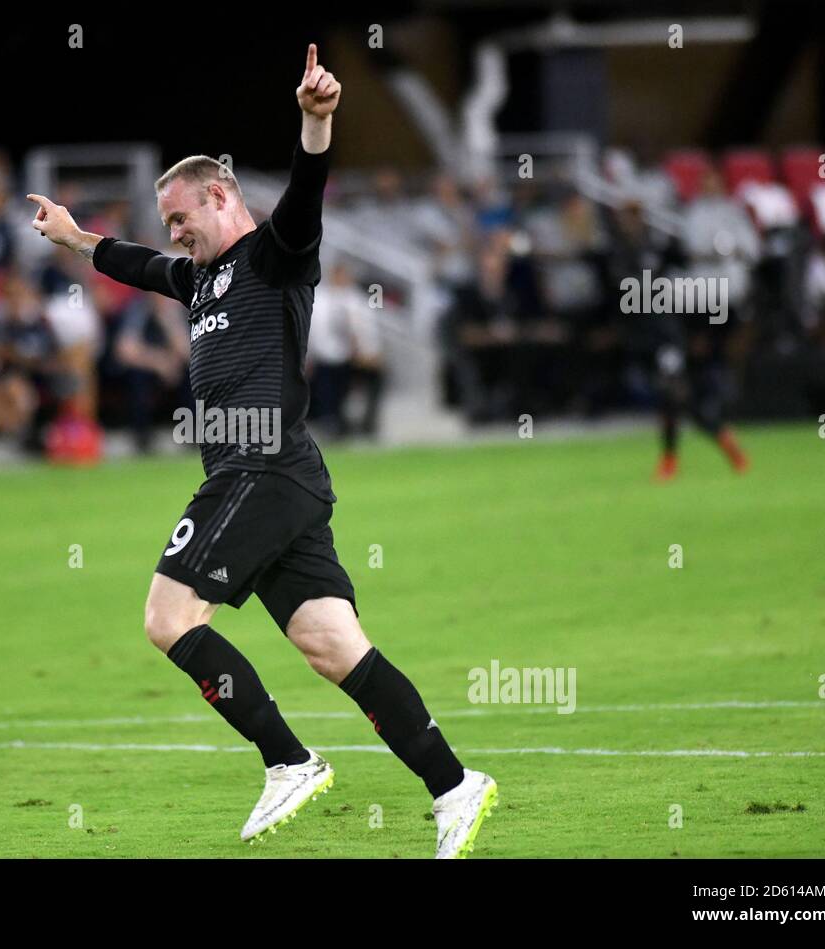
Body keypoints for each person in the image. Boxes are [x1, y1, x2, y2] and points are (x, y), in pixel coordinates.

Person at [26, 44, 496, 859]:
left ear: (221, 196)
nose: (176, 235)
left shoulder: (275, 256)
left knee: (168, 618)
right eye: (170, 225)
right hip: (283, 482)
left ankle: (288, 759)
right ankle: (457, 785)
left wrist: (316, 123)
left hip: (261, 466)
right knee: (334, 646)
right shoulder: (200, 279)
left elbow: (307, 197)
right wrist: (75, 240)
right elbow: (137, 265)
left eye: (183, 219)